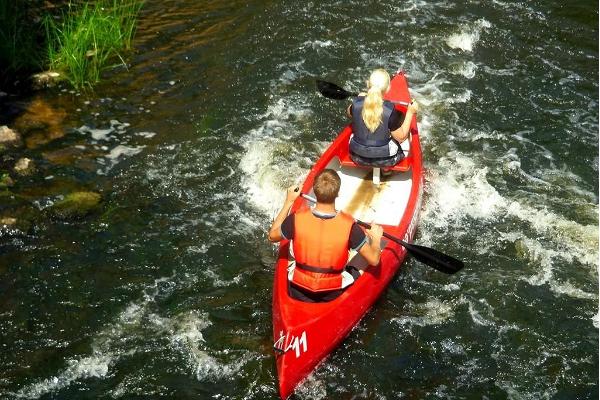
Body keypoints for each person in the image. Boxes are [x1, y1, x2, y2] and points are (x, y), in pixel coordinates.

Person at [268, 169, 383, 302]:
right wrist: (375, 239)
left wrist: (288, 202)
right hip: (333, 293)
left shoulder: (295, 219)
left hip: (298, 288)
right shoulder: (350, 226)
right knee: (365, 255)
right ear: (338, 193)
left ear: (315, 192)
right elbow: (374, 260)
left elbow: (272, 236)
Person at [347, 69, 419, 167]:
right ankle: (386, 170)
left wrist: (359, 99)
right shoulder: (390, 111)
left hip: (356, 157)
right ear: (388, 88)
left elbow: (349, 113)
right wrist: (410, 112)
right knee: (398, 140)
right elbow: (401, 137)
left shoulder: (356, 104)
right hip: (386, 161)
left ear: (367, 84)